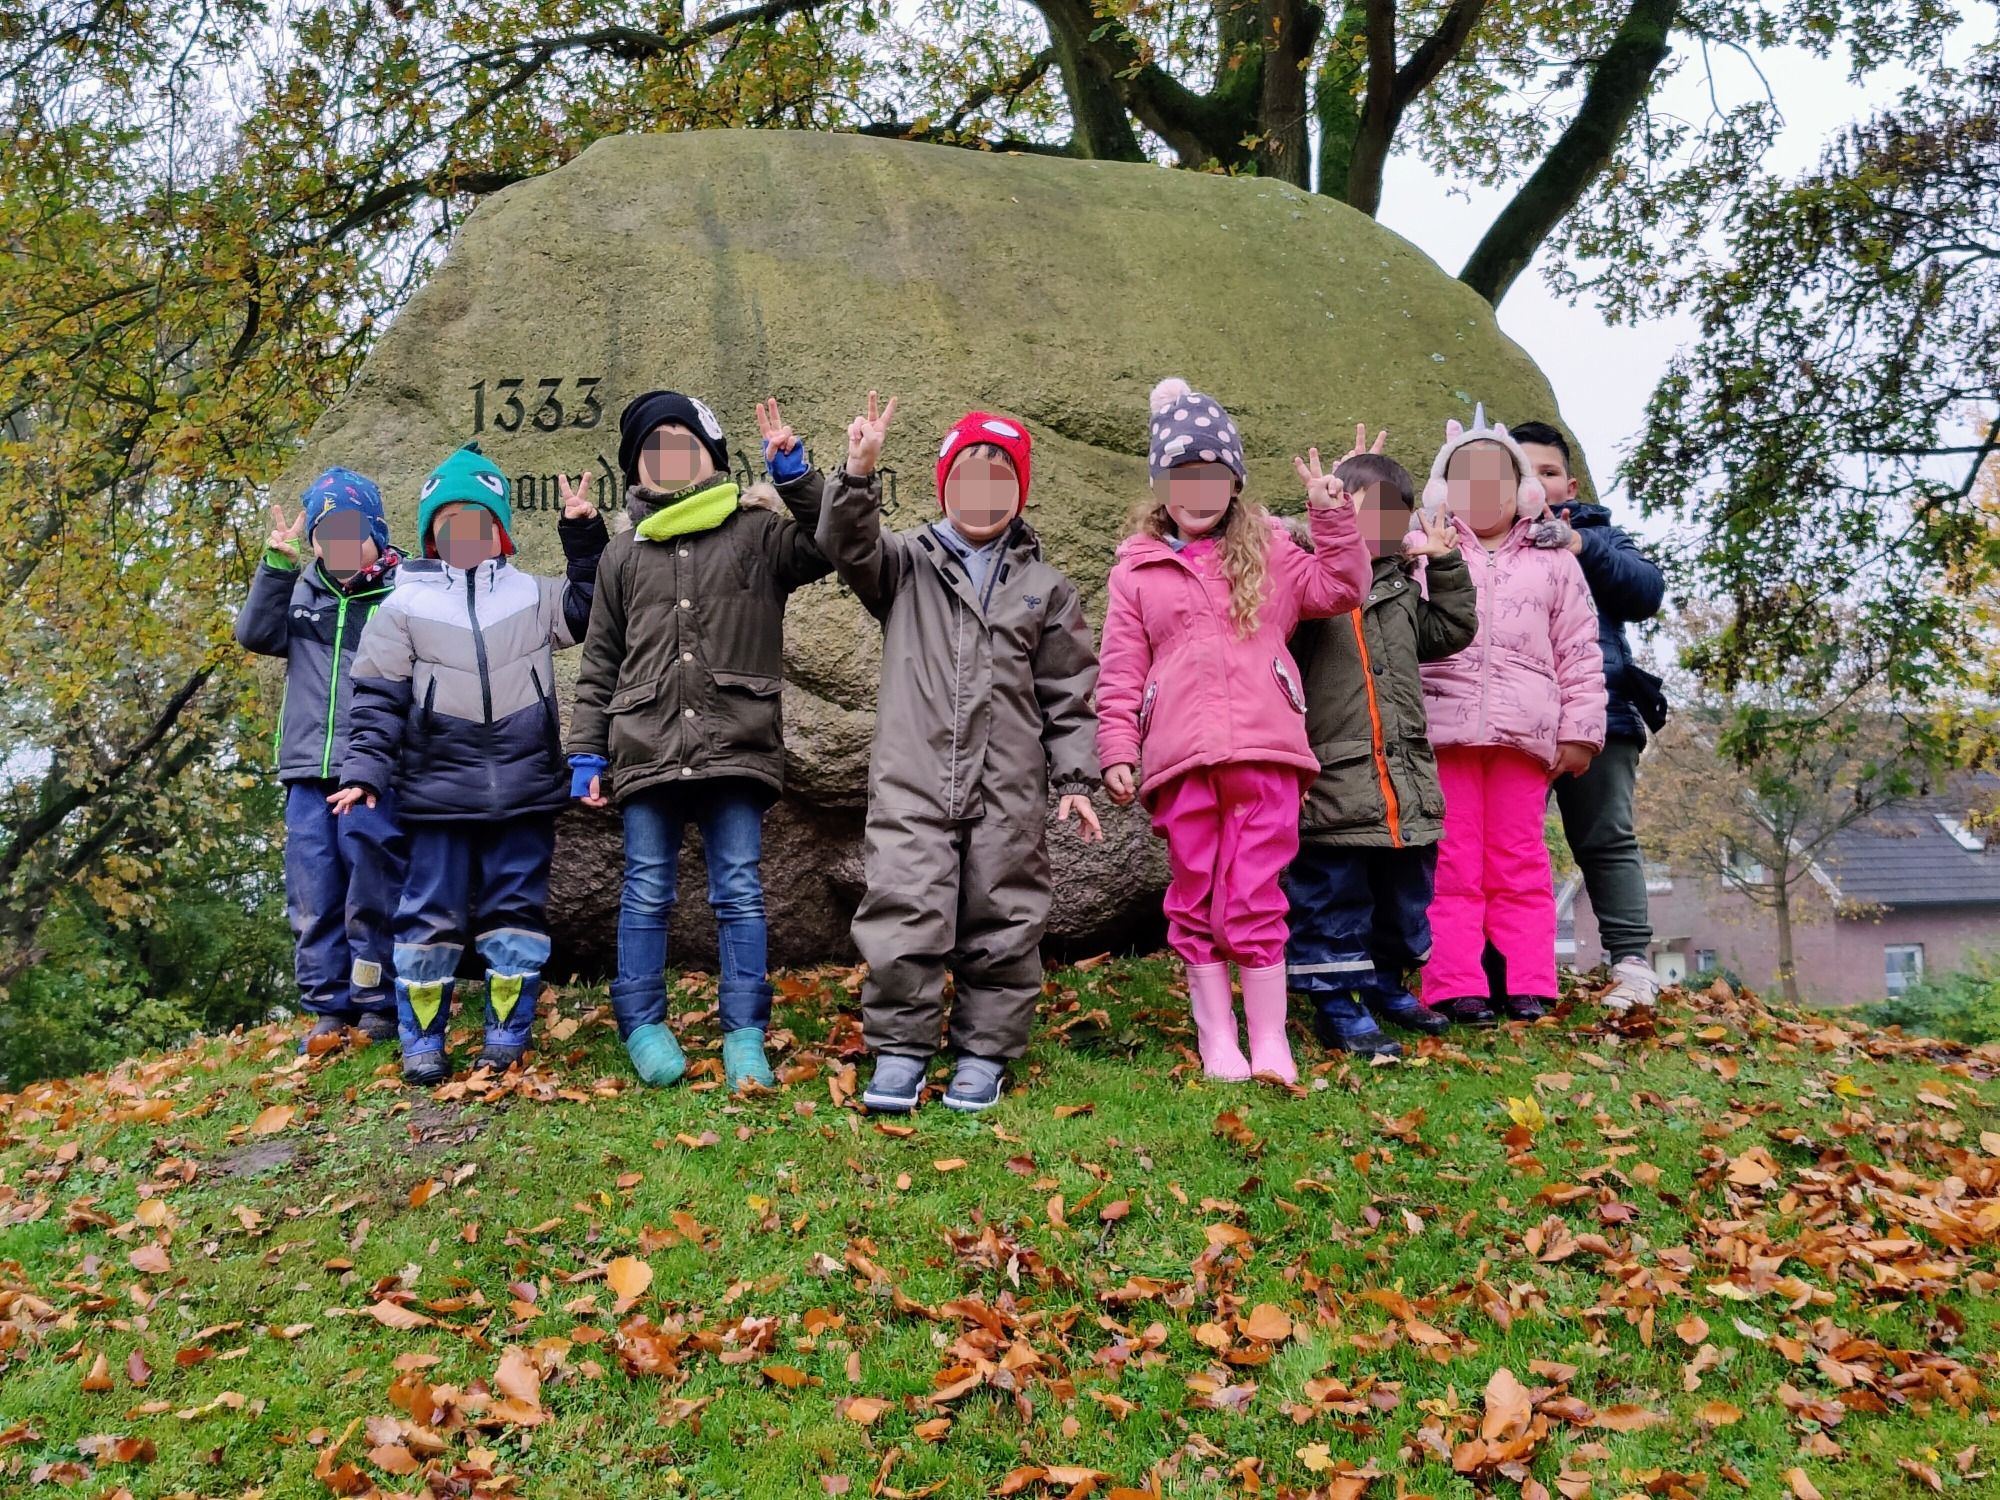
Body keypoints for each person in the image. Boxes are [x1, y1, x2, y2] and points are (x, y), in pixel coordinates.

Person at [818, 395, 1103, 1114]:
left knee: (1005, 915)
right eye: (968, 478)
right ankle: (900, 1048)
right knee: (904, 907)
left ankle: (984, 1051)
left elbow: (1069, 692)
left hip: (1008, 785)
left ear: (1019, 493)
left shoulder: (1044, 589)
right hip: (913, 778)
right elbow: (847, 545)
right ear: (944, 485)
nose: (982, 494)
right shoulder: (905, 563)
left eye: (998, 479)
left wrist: (1076, 777)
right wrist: (858, 474)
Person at [1097, 379, 1371, 1085]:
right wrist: (1118, 746)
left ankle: (1270, 1038)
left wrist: (1331, 514)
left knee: (1254, 894)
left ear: (1235, 482)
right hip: (1181, 759)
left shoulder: (1273, 549)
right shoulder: (1136, 570)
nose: (1197, 490)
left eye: (1211, 474)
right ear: (1161, 486)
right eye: (1181, 475)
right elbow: (1121, 668)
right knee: (1194, 896)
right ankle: (1218, 1037)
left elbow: (1342, 588)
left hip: (1265, 751)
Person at [566, 391, 832, 1092]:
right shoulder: (623, 554)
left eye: (684, 446)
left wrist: (796, 476)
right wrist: (586, 751)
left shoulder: (756, 531)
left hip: (735, 741)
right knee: (645, 888)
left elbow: (830, 544)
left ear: (712, 456)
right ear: (637, 467)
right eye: (655, 450)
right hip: (645, 744)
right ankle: (641, 1023)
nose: (670, 459)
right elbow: (600, 660)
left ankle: (744, 1030)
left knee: (739, 889)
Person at [333, 442, 607, 1085]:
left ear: (499, 530)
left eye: (477, 521)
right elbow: (376, 698)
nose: (464, 534)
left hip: (524, 786)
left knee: (517, 912)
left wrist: (582, 535)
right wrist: (363, 771)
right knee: (428, 916)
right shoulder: (403, 605)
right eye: (449, 522)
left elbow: (593, 606)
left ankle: (507, 1033)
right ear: (431, 534)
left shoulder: (532, 595)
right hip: (436, 792)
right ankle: (422, 1041)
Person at [1283, 435, 1478, 1057]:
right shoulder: (1310, 585)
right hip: (1337, 775)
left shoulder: (1401, 591)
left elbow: (1451, 630)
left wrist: (1445, 565)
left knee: (1403, 894)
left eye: (1394, 513)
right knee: (1334, 893)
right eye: (1365, 510)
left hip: (1404, 778)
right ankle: (1337, 1002)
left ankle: (1388, 984)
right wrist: (1322, 517)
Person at [1415, 407, 1605, 1026]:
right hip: (1444, 733)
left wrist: (1580, 731)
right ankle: (1455, 983)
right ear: (1445, 489)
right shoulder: (1425, 553)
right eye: (1465, 479)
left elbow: (1579, 650)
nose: (1480, 491)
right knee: (1451, 862)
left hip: (1525, 738)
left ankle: (1528, 980)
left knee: (1519, 860)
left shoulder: (1555, 561)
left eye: (1493, 478)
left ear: (1519, 488)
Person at [235, 468, 408, 1052]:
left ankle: (377, 999)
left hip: (373, 769)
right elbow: (255, 634)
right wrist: (275, 567)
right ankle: (328, 1006)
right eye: (324, 533)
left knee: (372, 884)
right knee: (313, 890)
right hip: (308, 768)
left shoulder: (400, 592)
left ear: (375, 533)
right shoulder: (300, 592)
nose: (338, 543)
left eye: (351, 531)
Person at [1511, 420, 1668, 1013]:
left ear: (1569, 485)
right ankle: (1503, 964)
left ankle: (1630, 960)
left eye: (1548, 472)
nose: (1536, 482)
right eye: (1522, 472)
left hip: (1601, 711)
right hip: (1513, 719)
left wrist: (1582, 545)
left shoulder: (1600, 534)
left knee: (1606, 838)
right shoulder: (1480, 538)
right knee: (1508, 841)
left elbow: (1645, 592)